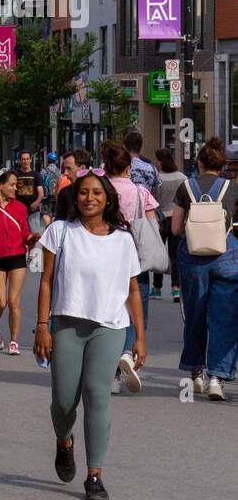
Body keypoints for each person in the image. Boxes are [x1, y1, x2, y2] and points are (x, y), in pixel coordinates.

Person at [34, 170, 146, 500]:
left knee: (98, 394)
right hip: (67, 323)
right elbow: (45, 280)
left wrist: (139, 337)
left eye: (97, 193)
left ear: (108, 198)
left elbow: (133, 290)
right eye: (84, 193)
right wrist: (42, 326)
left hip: (110, 327)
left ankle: (94, 474)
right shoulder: (60, 232)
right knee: (64, 400)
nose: (90, 198)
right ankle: (64, 442)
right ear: (75, 196)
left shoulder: (124, 239)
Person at [171, 137, 238, 401]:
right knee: (225, 318)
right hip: (227, 256)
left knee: (195, 316)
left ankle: (196, 373)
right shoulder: (232, 189)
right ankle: (217, 378)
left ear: (198, 163)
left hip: (193, 259)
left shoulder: (185, 188)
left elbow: (176, 228)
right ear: (222, 166)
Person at [101, 140, 157, 394]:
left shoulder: (99, 189)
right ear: (128, 168)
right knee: (136, 306)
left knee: (108, 310)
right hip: (134, 255)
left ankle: (111, 373)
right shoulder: (140, 192)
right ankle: (127, 351)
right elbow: (152, 227)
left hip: (103, 254)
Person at [0, 170, 33, 355]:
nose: (15, 188)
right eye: (12, 184)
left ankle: (14, 341)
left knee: (14, 301)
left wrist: (30, 237)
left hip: (17, 256)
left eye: (16, 185)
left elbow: (24, 231)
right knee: (1, 301)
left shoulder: (20, 207)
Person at [151, 148, 186, 302]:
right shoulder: (182, 178)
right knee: (175, 254)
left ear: (160, 161)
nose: (154, 162)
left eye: (156, 160)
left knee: (159, 253)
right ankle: (176, 289)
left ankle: (157, 288)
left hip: (160, 219)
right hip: (176, 218)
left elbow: (153, 198)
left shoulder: (157, 178)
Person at [124, 128, 162, 201]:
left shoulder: (117, 167)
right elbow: (157, 194)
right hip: (146, 209)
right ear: (141, 147)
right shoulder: (151, 168)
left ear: (125, 147)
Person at [14, 151, 45, 233]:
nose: (25, 161)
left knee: (35, 235)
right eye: (23, 159)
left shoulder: (36, 175)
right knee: (19, 234)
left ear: (31, 160)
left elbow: (41, 193)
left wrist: (37, 202)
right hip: (18, 211)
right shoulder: (15, 174)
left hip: (33, 211)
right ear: (20, 161)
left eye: (27, 159)